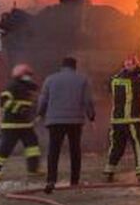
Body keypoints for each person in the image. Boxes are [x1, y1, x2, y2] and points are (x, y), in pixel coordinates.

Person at [37, 56, 96, 193]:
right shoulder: (82, 79)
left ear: (62, 66)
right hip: (75, 122)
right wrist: (91, 117)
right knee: (75, 150)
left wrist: (40, 113)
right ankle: (74, 181)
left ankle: (51, 180)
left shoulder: (50, 79)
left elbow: (43, 99)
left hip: (54, 121)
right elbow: (88, 101)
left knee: (54, 151)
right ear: (75, 67)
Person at [0, 63, 42, 179]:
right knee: (6, 148)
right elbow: (4, 102)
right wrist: (19, 109)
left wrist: (34, 113)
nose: (29, 77)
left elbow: (30, 105)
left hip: (26, 124)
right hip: (12, 124)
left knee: (33, 146)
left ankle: (33, 169)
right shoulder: (12, 86)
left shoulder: (28, 88)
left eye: (30, 75)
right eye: (27, 75)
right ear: (20, 75)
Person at [104, 55, 140, 183]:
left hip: (116, 121)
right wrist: (137, 68)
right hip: (132, 120)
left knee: (116, 146)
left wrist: (124, 70)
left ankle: (109, 172)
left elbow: (110, 84)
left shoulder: (114, 80)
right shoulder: (136, 82)